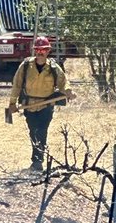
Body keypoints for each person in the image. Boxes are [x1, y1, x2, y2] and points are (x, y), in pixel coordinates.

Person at [7, 37, 73, 169]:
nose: (40, 52)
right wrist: (12, 103)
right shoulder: (25, 66)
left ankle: (38, 161)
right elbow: (17, 85)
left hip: (46, 106)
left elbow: (63, 82)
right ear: (34, 51)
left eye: (43, 50)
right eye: (37, 49)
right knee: (33, 132)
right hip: (29, 105)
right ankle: (37, 159)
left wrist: (68, 91)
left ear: (48, 51)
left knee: (42, 131)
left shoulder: (54, 67)